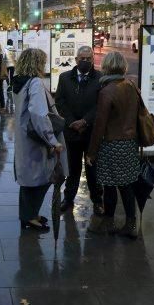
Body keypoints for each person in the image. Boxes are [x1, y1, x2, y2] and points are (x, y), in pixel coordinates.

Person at [86, 51, 141, 239]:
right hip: (130, 144)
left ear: (106, 67)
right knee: (127, 185)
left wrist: (91, 152)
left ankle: (108, 222)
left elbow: (100, 125)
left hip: (111, 144)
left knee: (109, 185)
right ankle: (131, 223)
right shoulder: (131, 86)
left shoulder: (107, 91)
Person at [12, 48, 67, 231]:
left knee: (28, 179)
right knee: (40, 179)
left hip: (25, 137)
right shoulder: (34, 82)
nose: (44, 65)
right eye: (42, 61)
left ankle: (28, 215)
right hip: (36, 139)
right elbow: (39, 113)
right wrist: (52, 140)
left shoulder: (19, 82)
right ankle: (29, 217)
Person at [54, 46, 104, 216]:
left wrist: (85, 121)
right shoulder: (65, 77)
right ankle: (68, 199)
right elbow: (60, 102)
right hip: (71, 132)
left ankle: (97, 200)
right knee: (73, 168)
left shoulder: (100, 78)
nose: (85, 61)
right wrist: (71, 122)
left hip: (91, 132)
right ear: (76, 59)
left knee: (93, 168)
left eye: (89, 58)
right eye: (82, 58)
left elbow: (100, 104)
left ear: (93, 60)